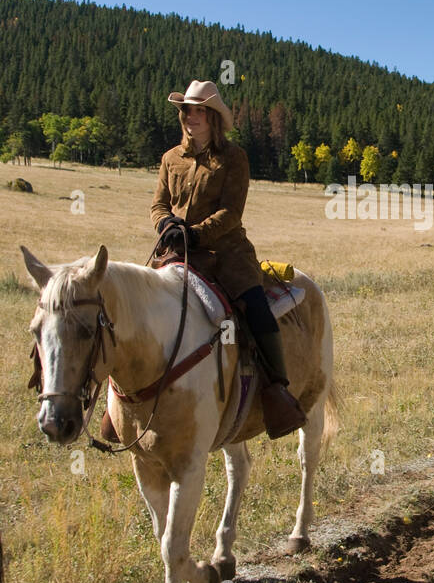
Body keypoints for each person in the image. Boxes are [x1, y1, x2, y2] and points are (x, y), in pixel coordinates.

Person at [97, 79, 305, 444]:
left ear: (212, 117)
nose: (192, 117)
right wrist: (165, 224)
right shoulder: (170, 158)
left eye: (199, 110)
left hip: (226, 257)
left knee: (256, 309)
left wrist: (195, 233)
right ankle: (118, 406)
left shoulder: (234, 158)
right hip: (175, 253)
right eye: (187, 110)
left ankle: (277, 392)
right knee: (137, 311)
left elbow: (231, 212)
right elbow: (158, 203)